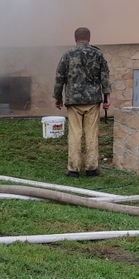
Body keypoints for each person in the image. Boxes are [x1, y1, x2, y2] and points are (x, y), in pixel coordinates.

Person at [53, 27, 110, 177]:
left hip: (73, 101)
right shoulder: (98, 54)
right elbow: (105, 77)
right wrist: (107, 98)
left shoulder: (68, 55)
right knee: (91, 134)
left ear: (75, 38)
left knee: (75, 134)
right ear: (89, 38)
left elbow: (60, 77)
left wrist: (58, 97)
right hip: (92, 101)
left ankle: (73, 169)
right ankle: (91, 168)